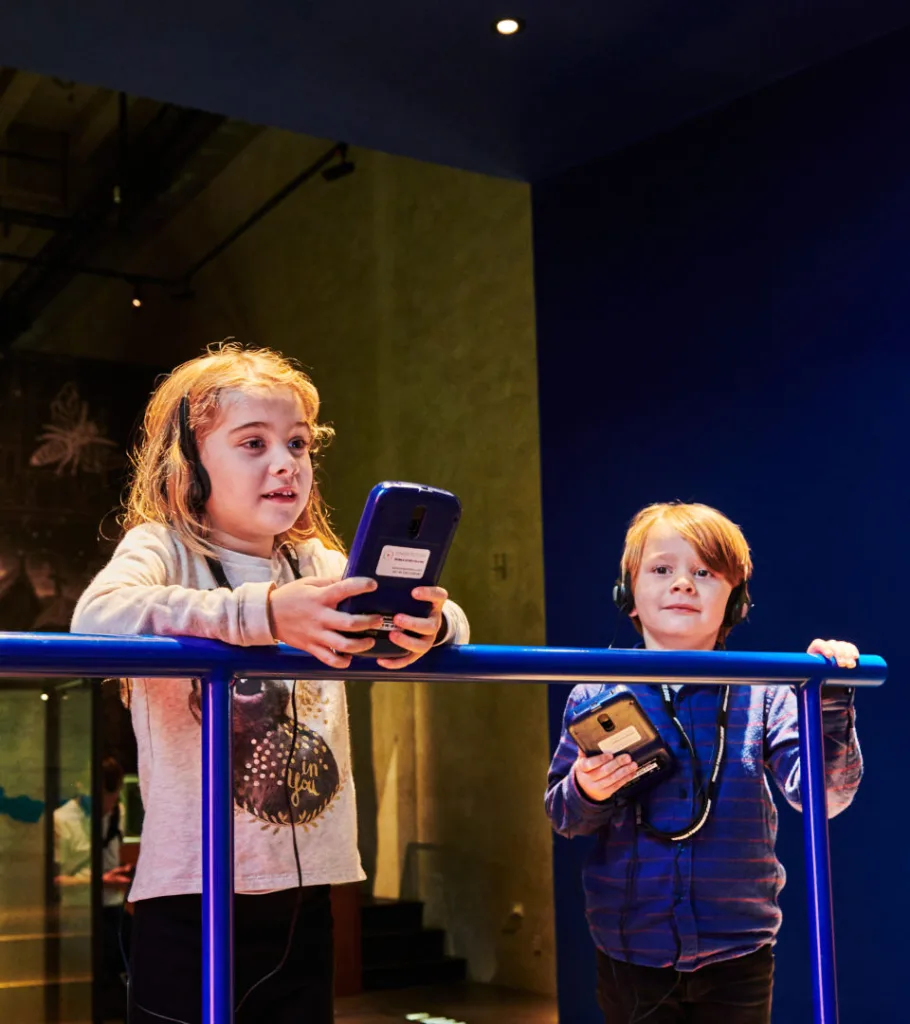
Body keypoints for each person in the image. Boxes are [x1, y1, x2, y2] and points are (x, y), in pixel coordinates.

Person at [71, 342, 469, 1024]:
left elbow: (454, 617)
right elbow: (93, 621)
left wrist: (430, 626)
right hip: (190, 889)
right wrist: (263, 614)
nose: (285, 462)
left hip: (306, 892)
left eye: (298, 443)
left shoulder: (315, 561)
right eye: (253, 443)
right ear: (189, 463)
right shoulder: (163, 547)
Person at [545, 501, 860, 1024]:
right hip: (629, 952)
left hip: (739, 952)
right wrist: (587, 790)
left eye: (705, 573)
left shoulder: (767, 693)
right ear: (627, 594)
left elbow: (825, 797)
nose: (682, 584)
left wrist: (825, 700)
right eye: (661, 569)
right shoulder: (595, 694)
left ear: (735, 601)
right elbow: (564, 816)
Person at [54, 756, 132, 1016]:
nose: (109, 807)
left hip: (114, 909)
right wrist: (100, 881)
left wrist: (119, 875)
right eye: (104, 799)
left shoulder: (118, 812)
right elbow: (55, 881)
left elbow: (113, 857)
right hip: (79, 912)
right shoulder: (62, 819)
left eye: (113, 798)